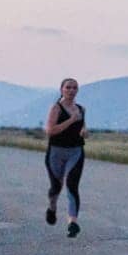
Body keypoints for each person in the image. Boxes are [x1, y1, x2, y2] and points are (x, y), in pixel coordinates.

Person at [43, 78, 88, 238]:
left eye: (74, 88)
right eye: (68, 87)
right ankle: (52, 207)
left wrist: (84, 132)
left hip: (75, 152)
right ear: (61, 89)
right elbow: (50, 130)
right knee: (56, 187)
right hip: (56, 152)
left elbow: (83, 127)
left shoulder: (81, 109)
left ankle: (72, 223)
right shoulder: (56, 108)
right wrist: (70, 120)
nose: (71, 90)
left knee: (71, 185)